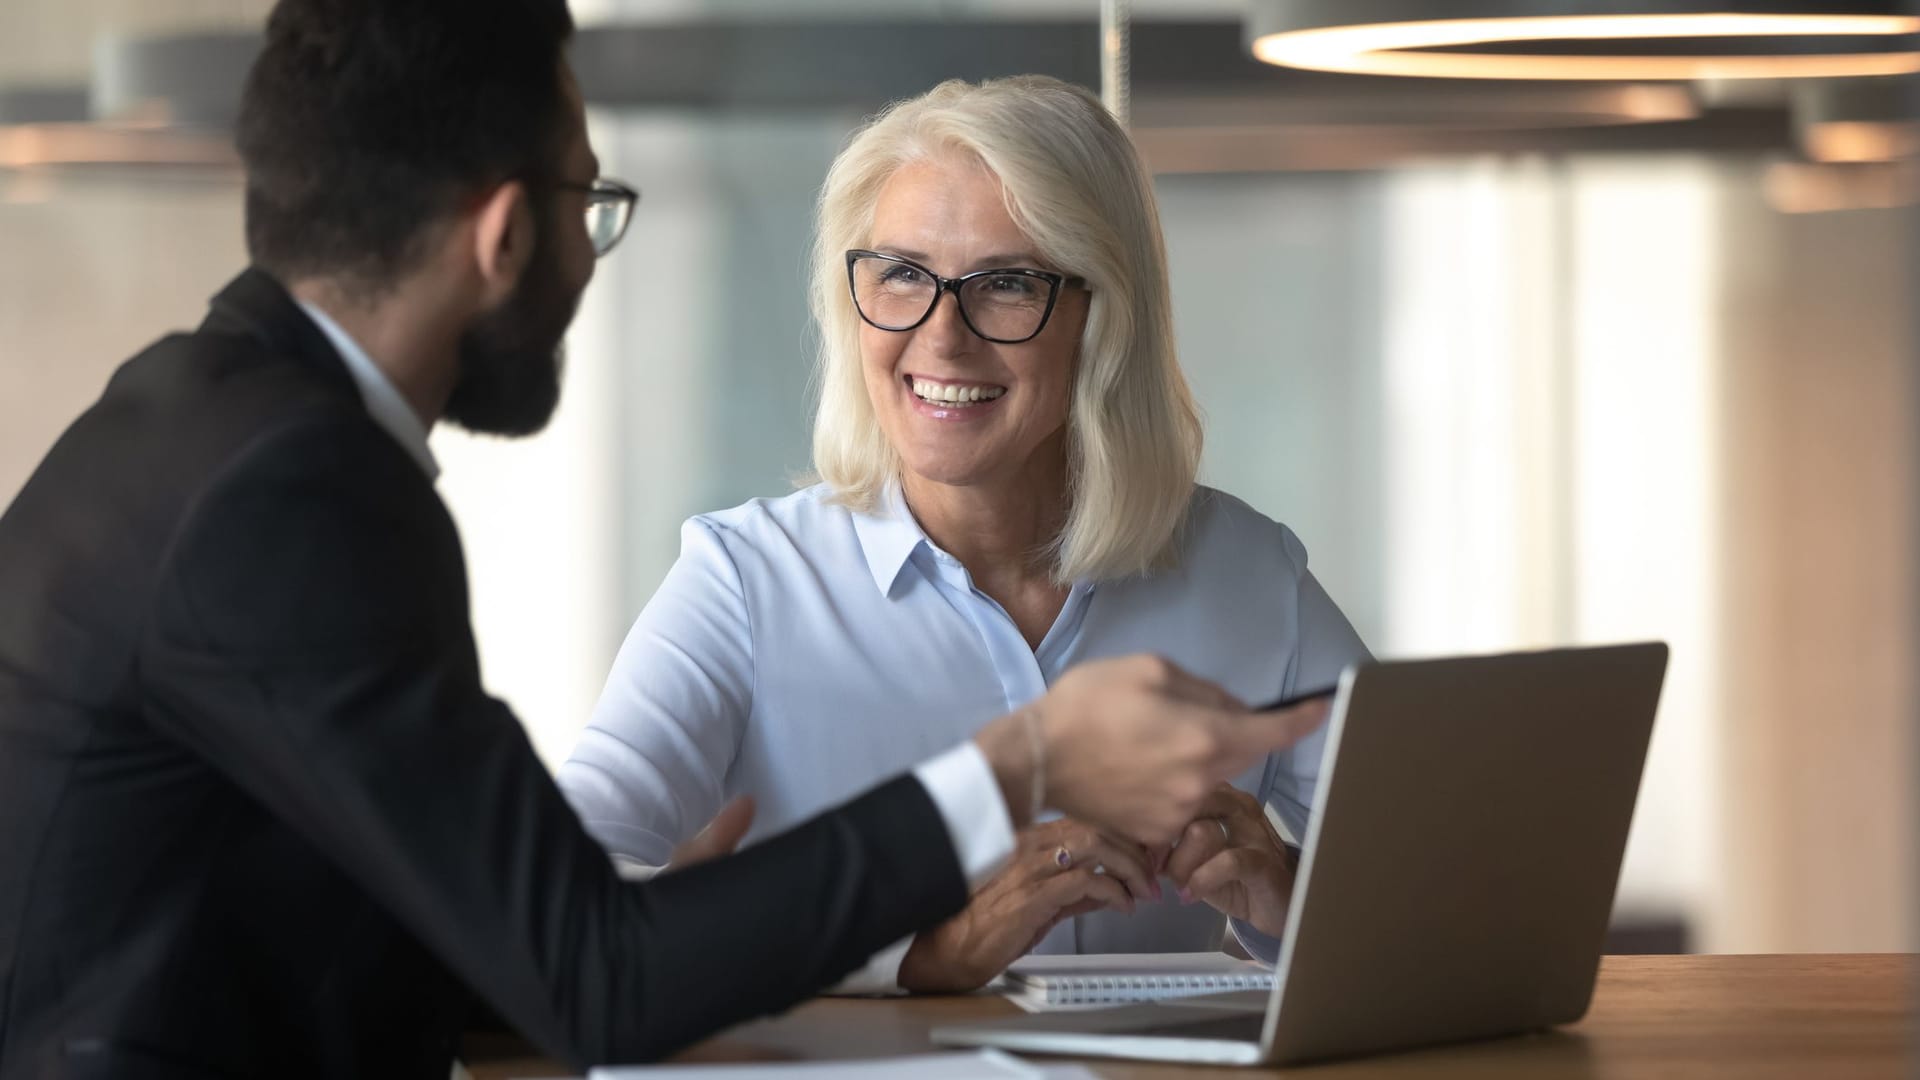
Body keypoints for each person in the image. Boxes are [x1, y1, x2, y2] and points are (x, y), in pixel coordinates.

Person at [0, 6, 1331, 1077]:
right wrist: (1025, 761)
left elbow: (514, 941)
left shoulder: (189, 424)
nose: (591, 261)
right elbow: (590, 975)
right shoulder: (293, 493)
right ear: (504, 232)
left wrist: (676, 927)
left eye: (1005, 285)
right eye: (590, 209)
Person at [559, 75, 1372, 995]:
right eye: (902, 273)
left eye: (1008, 284)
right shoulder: (747, 584)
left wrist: (1292, 898)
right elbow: (563, 916)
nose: (941, 338)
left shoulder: (1250, 574)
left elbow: (1448, 883)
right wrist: (915, 954)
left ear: (1103, 318)